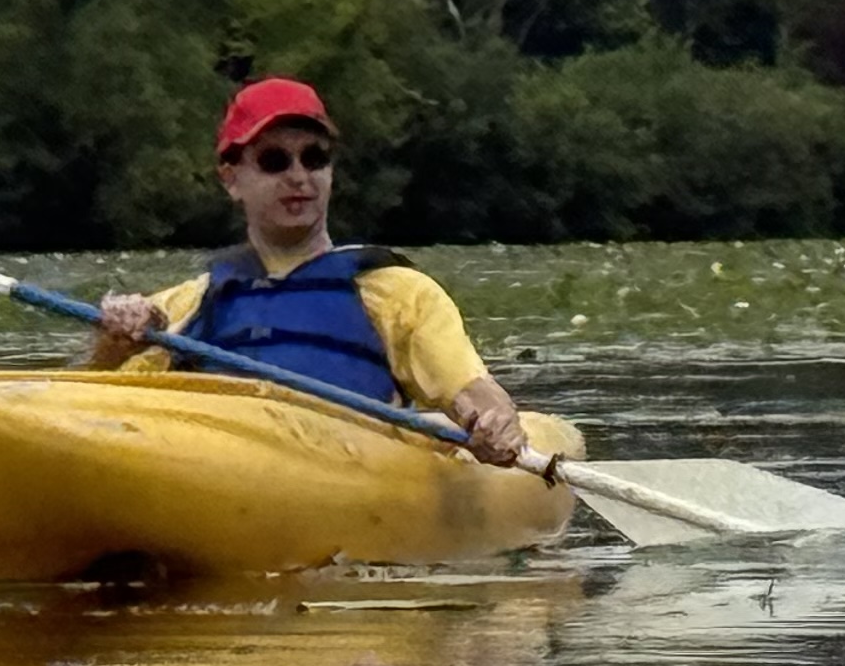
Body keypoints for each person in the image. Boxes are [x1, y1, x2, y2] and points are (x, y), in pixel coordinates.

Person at [88, 77, 530, 465]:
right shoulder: (184, 305)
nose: (299, 176)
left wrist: (495, 423)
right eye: (274, 160)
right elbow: (96, 402)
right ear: (231, 178)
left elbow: (469, 388)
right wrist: (113, 342)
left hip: (341, 470)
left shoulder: (397, 292)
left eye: (314, 158)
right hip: (209, 465)